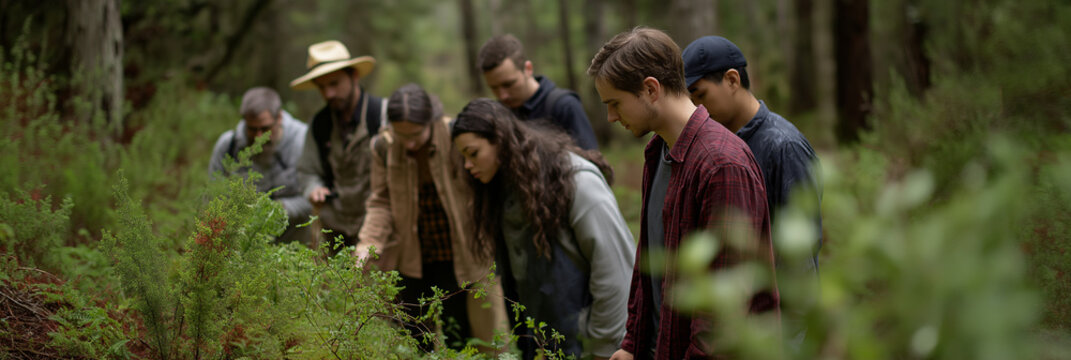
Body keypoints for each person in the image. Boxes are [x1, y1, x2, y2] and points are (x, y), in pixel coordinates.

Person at [587, 27, 779, 359]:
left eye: (615, 103)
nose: (611, 117)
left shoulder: (722, 164)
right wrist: (633, 345)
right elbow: (649, 270)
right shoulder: (657, 153)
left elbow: (723, 316)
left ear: (650, 89)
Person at [451, 98, 635, 360]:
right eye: (463, 157)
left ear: (501, 142)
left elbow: (615, 275)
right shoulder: (503, 190)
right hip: (540, 344)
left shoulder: (577, 181)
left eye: (473, 153)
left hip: (589, 348)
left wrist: (602, 349)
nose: (468, 166)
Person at [682, 35, 823, 350]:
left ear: (732, 79)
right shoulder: (716, 147)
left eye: (700, 95)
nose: (695, 109)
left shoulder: (783, 146)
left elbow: (800, 256)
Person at [357, 84, 508, 353]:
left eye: (416, 134)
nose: (410, 142)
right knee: (417, 340)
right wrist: (368, 245)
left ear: (431, 120)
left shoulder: (454, 136)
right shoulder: (383, 147)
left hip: (463, 256)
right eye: (402, 135)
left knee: (468, 339)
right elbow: (380, 201)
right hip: (414, 260)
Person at [289, 40, 387, 251]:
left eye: (334, 84)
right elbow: (307, 171)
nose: (328, 94)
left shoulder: (382, 115)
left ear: (354, 76)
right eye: (321, 87)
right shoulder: (319, 124)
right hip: (335, 232)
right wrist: (314, 188)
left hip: (380, 231)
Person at [209, 87, 311, 244]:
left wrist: (278, 209)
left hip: (296, 248)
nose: (259, 137)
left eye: (265, 128)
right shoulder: (228, 147)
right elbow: (213, 196)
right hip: (244, 249)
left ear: (280, 118)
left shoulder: (303, 142)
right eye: (252, 129)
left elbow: (315, 198)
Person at [477, 34, 600, 150]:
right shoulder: (498, 115)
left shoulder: (564, 106)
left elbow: (593, 162)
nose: (502, 95)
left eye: (508, 84)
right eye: (494, 88)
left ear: (528, 69)